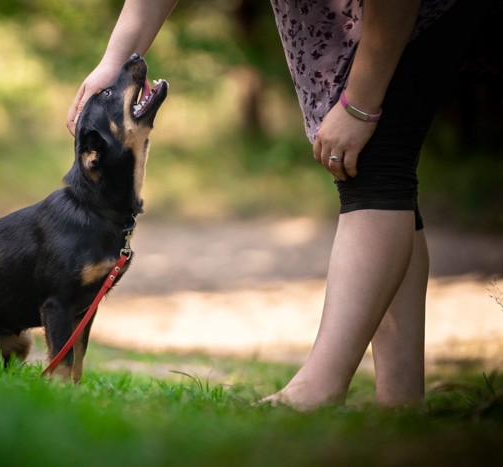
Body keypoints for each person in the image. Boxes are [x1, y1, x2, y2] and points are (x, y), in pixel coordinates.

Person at [66, 0, 493, 410]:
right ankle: (400, 403)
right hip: (345, 28)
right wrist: (113, 61)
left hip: (404, 16)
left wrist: (360, 106)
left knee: (375, 171)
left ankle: (320, 388)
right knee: (385, 174)